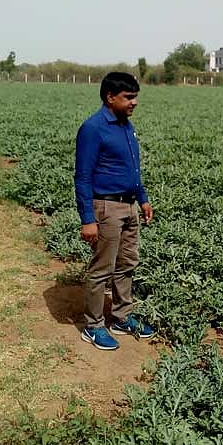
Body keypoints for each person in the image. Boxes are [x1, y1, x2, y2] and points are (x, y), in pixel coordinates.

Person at [74, 72, 156, 350]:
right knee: (101, 269)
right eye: (129, 97)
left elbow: (133, 169)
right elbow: (82, 177)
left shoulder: (126, 126)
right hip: (106, 207)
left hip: (129, 205)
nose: (134, 102)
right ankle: (93, 325)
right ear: (110, 97)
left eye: (135, 97)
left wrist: (142, 198)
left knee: (127, 265)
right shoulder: (93, 128)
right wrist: (88, 219)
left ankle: (121, 317)